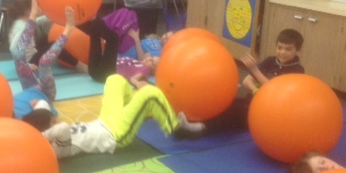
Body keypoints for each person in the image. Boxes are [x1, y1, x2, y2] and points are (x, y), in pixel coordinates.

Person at [30, 73, 201, 158]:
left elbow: (48, 117)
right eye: (53, 121)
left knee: (115, 79)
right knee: (150, 93)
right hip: (115, 135)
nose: (57, 120)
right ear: (47, 131)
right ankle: (177, 129)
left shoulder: (50, 133)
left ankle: (138, 109)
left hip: (105, 121)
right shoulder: (56, 148)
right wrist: (40, 137)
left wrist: (39, 105)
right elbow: (61, 129)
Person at [177, 28, 305, 137]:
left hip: (270, 112)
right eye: (279, 47)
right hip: (254, 100)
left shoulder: (297, 70)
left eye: (288, 49)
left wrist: (255, 71)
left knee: (233, 114)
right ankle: (194, 121)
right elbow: (246, 80)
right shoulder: (271, 61)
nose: (282, 52)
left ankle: (199, 128)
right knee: (227, 103)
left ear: (298, 51)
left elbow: (276, 90)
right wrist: (256, 91)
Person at [10, 0, 77, 104]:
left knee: (18, 54)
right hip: (46, 95)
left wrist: (35, 15)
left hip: (29, 90)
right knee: (44, 62)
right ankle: (69, 28)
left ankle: (33, 13)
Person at [79, 17, 159, 84]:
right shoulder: (138, 61)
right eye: (152, 58)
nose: (149, 59)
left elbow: (133, 79)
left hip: (105, 75)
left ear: (153, 71)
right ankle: (91, 18)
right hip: (94, 71)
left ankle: (96, 19)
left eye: (152, 63)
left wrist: (138, 84)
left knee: (114, 38)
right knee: (95, 33)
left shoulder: (145, 70)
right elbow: (144, 56)